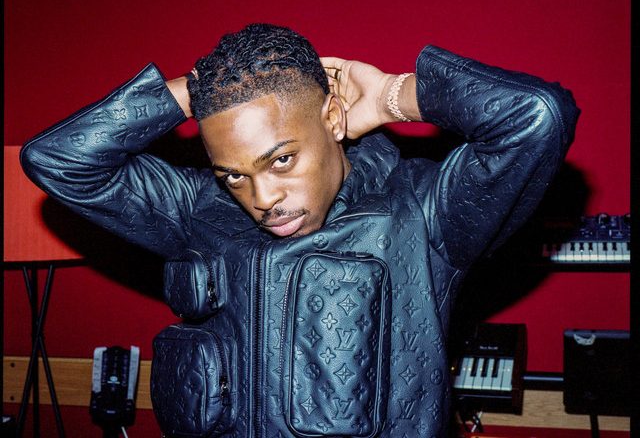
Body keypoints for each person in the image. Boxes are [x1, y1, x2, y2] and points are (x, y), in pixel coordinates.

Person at [21, 23, 579, 437]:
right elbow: (57, 159)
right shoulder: (196, 208)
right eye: (233, 174)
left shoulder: (424, 210)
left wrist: (392, 96)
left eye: (282, 160)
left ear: (332, 118)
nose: (262, 199)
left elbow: (537, 115)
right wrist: (203, 91)